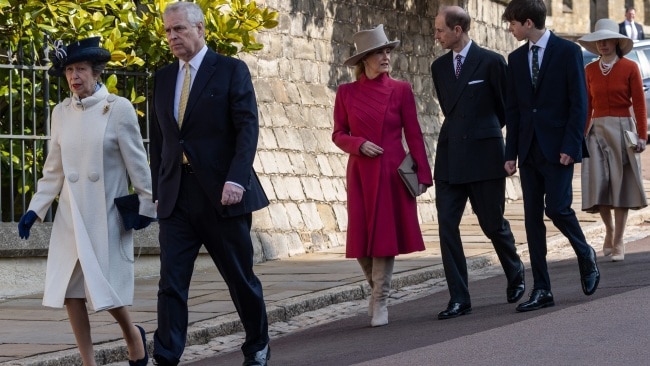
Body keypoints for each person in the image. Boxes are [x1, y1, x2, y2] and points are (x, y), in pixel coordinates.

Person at [16, 37, 155, 366]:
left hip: (104, 213)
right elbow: (54, 169)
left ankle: (133, 336)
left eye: (80, 69)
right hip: (70, 216)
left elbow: (138, 164)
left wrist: (147, 205)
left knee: (105, 290)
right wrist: (36, 209)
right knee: (70, 292)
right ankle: (88, 362)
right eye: (68, 70)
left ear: (96, 73)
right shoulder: (61, 112)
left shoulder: (118, 109)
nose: (74, 77)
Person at [149, 2, 270, 365]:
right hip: (176, 197)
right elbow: (160, 140)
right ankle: (166, 356)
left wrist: (237, 179)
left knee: (239, 278)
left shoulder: (231, 70)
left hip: (223, 195)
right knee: (171, 284)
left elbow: (248, 128)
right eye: (168, 31)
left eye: (179, 29)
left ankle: (258, 346)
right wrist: (159, 191)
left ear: (200, 29)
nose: (172, 37)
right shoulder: (163, 77)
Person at [501, 0, 600, 312]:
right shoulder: (515, 59)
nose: (510, 29)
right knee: (532, 222)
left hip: (559, 149)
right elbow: (514, 110)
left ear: (528, 23)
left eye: (513, 24)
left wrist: (571, 146)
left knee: (557, 209)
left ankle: (585, 253)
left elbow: (578, 104)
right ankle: (542, 289)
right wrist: (510, 152)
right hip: (529, 149)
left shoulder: (567, 51)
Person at [332, 24, 433, 327]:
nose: (386, 56)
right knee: (362, 239)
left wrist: (423, 174)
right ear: (365, 59)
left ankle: (381, 301)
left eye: (388, 50)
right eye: (379, 52)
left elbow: (414, 135)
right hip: (361, 172)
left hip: (392, 173)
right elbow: (338, 134)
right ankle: (375, 290)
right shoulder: (346, 92)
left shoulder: (401, 90)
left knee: (385, 238)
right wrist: (358, 144)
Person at [430, 6, 526, 320]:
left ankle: (514, 268)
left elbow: (507, 111)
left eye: (440, 30)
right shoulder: (439, 67)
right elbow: (449, 108)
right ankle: (459, 297)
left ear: (458, 30)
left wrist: (499, 145)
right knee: (446, 227)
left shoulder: (492, 62)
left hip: (485, 157)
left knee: (492, 224)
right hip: (449, 157)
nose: (436, 35)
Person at [578, 18, 648, 262]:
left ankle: (619, 240)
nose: (603, 45)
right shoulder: (589, 70)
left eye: (607, 40)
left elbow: (639, 104)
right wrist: (581, 134)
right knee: (600, 185)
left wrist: (642, 135)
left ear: (617, 41)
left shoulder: (630, 67)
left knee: (620, 186)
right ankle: (608, 230)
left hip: (621, 128)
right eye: (598, 41)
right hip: (596, 130)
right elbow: (586, 106)